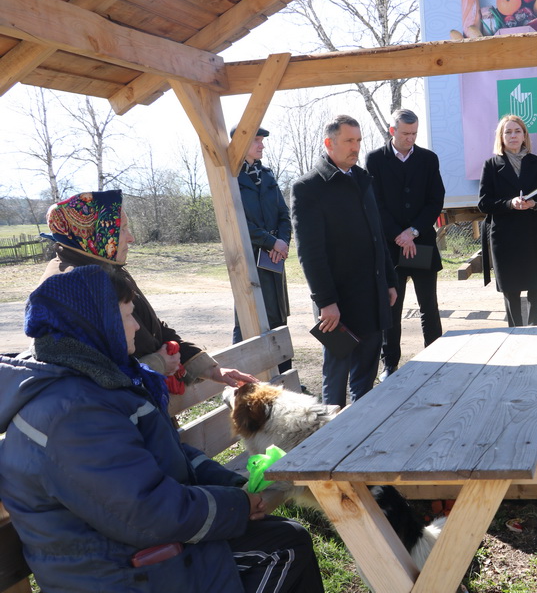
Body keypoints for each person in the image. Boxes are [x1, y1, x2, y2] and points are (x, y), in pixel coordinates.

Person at [0, 265, 324, 593]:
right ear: (99, 322)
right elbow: (144, 514)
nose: (137, 325)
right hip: (118, 572)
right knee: (285, 547)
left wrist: (232, 486)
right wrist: (236, 506)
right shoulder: (71, 414)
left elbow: (168, 454)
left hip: (133, 549)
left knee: (283, 535)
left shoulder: (93, 380)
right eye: (127, 315)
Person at [41, 190, 255, 391]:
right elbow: (91, 376)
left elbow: (152, 329)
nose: (131, 237)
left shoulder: (106, 267)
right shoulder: (72, 285)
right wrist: (156, 364)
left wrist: (209, 369)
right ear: (95, 233)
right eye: (122, 229)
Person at [291, 115, 398, 407]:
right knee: (336, 377)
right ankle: (329, 437)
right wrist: (326, 301)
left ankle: (362, 431)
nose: (356, 147)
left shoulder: (363, 180)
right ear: (330, 143)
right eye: (349, 141)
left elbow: (378, 237)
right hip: (336, 304)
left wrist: (389, 281)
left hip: (372, 295)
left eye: (359, 141)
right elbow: (310, 253)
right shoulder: (308, 187)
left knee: (366, 374)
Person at [365, 109, 446, 380]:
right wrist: (398, 236)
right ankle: (390, 365)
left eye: (414, 134)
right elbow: (375, 203)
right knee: (392, 308)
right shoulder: (375, 159)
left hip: (421, 242)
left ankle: (435, 359)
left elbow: (436, 200)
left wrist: (412, 232)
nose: (410, 138)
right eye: (405, 133)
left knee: (429, 307)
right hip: (390, 248)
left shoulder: (428, 159)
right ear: (392, 131)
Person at [477, 114, 537, 327]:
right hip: (505, 237)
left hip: (533, 234)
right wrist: (510, 203)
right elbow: (484, 203)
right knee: (511, 290)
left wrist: (534, 204)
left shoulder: (536, 162)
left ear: (524, 136)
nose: (513, 135)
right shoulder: (491, 165)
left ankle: (534, 330)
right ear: (501, 137)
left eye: (517, 131)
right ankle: (516, 333)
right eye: (508, 132)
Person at [231, 126, 293, 374]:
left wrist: (282, 242)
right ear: (241, 143)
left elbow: (283, 215)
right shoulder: (231, 177)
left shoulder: (267, 175)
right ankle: (243, 383)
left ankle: (284, 378)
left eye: (262, 140)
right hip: (249, 261)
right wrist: (270, 241)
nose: (262, 145)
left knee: (278, 318)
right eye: (256, 140)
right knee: (248, 322)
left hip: (274, 260)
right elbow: (236, 223)